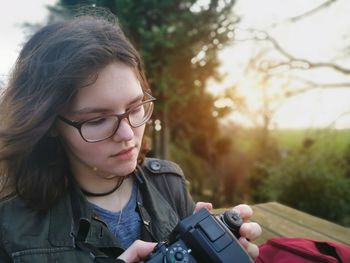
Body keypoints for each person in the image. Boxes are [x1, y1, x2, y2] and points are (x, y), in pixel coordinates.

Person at [0, 13, 261, 263]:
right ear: (50, 124)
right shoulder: (10, 224)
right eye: (97, 120)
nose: (127, 134)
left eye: (135, 108)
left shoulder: (169, 185)